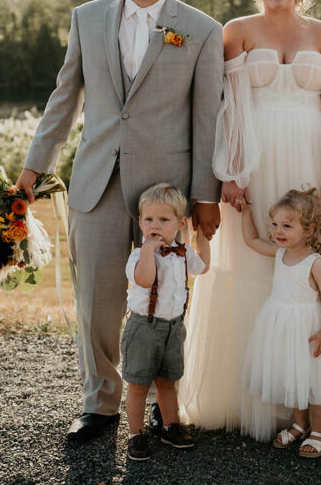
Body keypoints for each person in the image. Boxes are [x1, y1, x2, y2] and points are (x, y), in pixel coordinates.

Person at [16, 0, 223, 442]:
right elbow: (64, 98)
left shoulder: (201, 29)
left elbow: (207, 120)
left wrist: (204, 197)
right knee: (97, 299)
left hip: (167, 192)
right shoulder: (87, 18)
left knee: (167, 299)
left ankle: (162, 400)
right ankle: (101, 403)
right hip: (97, 181)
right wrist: (31, 170)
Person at [180, 0, 321, 436]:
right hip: (253, 163)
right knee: (252, 262)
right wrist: (231, 173)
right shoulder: (236, 32)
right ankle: (247, 397)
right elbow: (227, 105)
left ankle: (318, 401)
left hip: (308, 159)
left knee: (310, 266)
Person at [239, 189, 321, 458]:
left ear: (308, 230)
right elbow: (250, 240)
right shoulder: (278, 252)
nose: (278, 231)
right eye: (274, 225)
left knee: (314, 379)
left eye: (286, 225)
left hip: (308, 328)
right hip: (280, 325)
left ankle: (320, 430)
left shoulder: (315, 262)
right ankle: (300, 423)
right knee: (291, 374)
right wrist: (247, 212)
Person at [122, 184, 210, 461]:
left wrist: (203, 239)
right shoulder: (139, 255)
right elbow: (145, 280)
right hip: (144, 328)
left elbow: (203, 267)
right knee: (137, 384)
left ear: (180, 224)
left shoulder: (183, 252)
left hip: (173, 327)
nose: (155, 225)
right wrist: (148, 249)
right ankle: (135, 434)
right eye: (149, 219)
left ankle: (169, 426)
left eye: (163, 220)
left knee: (167, 381)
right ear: (140, 222)